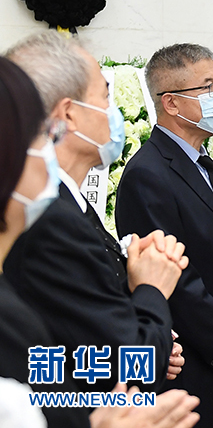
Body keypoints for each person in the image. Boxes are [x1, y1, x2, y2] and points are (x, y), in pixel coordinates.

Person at [0, 55, 200, 428]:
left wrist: (147, 322)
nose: (47, 148)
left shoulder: (69, 209)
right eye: (40, 134)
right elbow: (123, 358)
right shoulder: (53, 221)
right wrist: (151, 293)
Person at [116, 44, 213, 428]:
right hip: (189, 375)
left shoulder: (205, 164)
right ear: (171, 103)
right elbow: (177, 283)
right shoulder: (147, 174)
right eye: (208, 87)